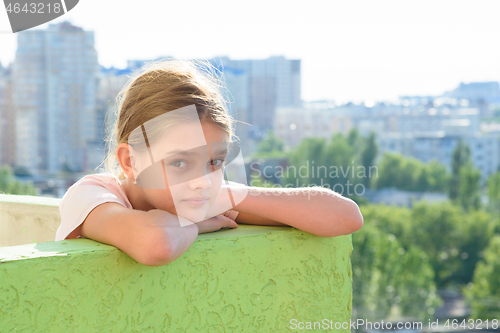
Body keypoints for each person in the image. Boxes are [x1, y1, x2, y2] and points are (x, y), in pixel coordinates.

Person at [55, 59, 363, 267]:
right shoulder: (92, 196)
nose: (202, 179)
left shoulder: (203, 196)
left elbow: (345, 216)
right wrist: (197, 223)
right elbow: (155, 244)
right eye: (179, 163)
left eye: (215, 161)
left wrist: (232, 195)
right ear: (130, 161)